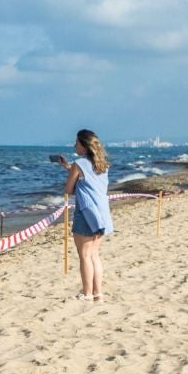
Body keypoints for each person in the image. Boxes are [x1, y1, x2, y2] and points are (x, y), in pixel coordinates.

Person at [65, 129, 112, 302]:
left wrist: (71, 171)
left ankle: (87, 293)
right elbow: (90, 178)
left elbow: (68, 190)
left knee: (84, 255)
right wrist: (69, 168)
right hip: (101, 213)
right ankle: (97, 292)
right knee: (94, 255)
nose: (74, 145)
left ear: (84, 146)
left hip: (85, 212)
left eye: (76, 142)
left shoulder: (78, 164)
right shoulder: (102, 165)